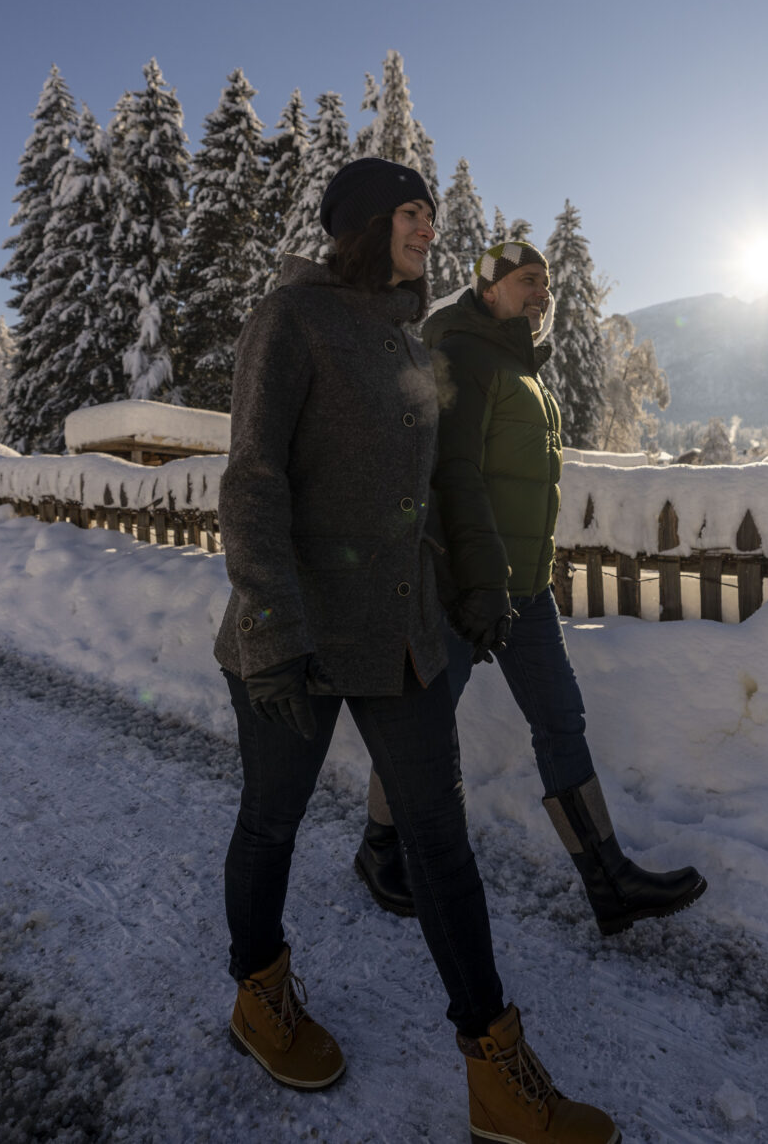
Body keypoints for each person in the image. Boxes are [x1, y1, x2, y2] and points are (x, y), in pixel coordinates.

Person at [216, 158, 618, 1144]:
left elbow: (451, 486)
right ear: (357, 222)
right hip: (298, 640)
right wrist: (270, 629)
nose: (427, 228)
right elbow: (253, 480)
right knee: (272, 822)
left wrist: (478, 581)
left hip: (398, 635)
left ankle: (494, 1066)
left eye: (431, 214)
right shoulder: (293, 320)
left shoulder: (407, 342)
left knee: (437, 842)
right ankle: (258, 994)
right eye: (409, 211)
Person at [353, 238, 708, 936]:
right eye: (525, 280)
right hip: (462, 586)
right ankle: (378, 849)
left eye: (545, 282)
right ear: (488, 290)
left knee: (561, 720)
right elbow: (450, 477)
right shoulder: (465, 357)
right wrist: (467, 582)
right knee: (420, 726)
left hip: (524, 589)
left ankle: (609, 881)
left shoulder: (526, 373)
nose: (540, 291)